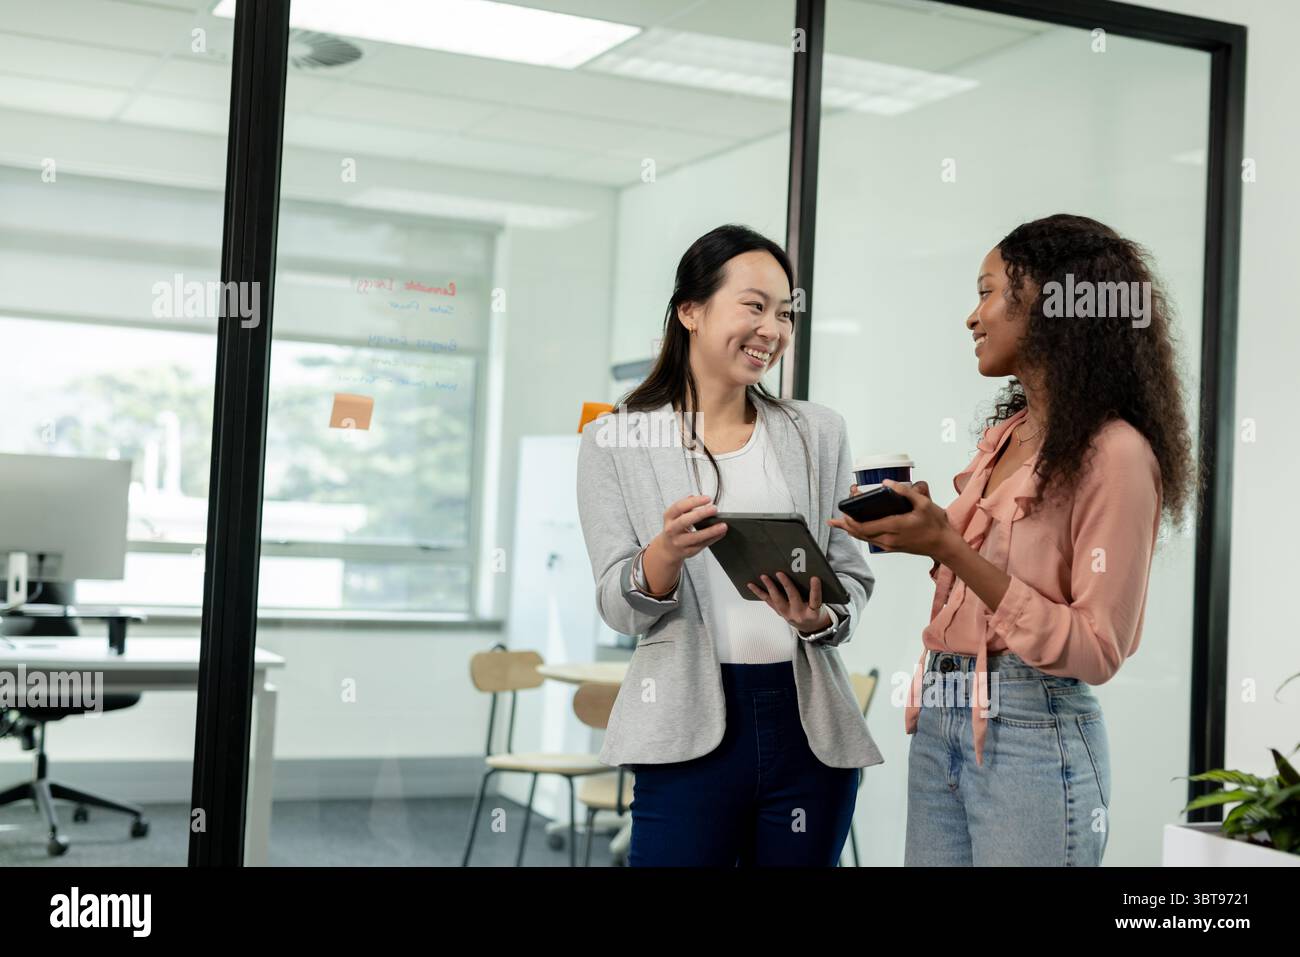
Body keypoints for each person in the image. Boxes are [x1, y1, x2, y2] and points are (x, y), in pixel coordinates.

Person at [829, 213, 1193, 866]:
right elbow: (983, 581)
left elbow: (1097, 648)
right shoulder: (1007, 435)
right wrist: (928, 537)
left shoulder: (1117, 454)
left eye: (987, 291)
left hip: (1033, 727)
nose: (973, 316)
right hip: (943, 712)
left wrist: (950, 545)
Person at [576, 224, 880, 867]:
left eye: (784, 311)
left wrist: (820, 616)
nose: (772, 327)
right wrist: (663, 556)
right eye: (753, 305)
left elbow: (851, 576)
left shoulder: (817, 433)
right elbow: (617, 605)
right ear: (690, 310)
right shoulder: (614, 440)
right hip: (684, 726)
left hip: (807, 727)